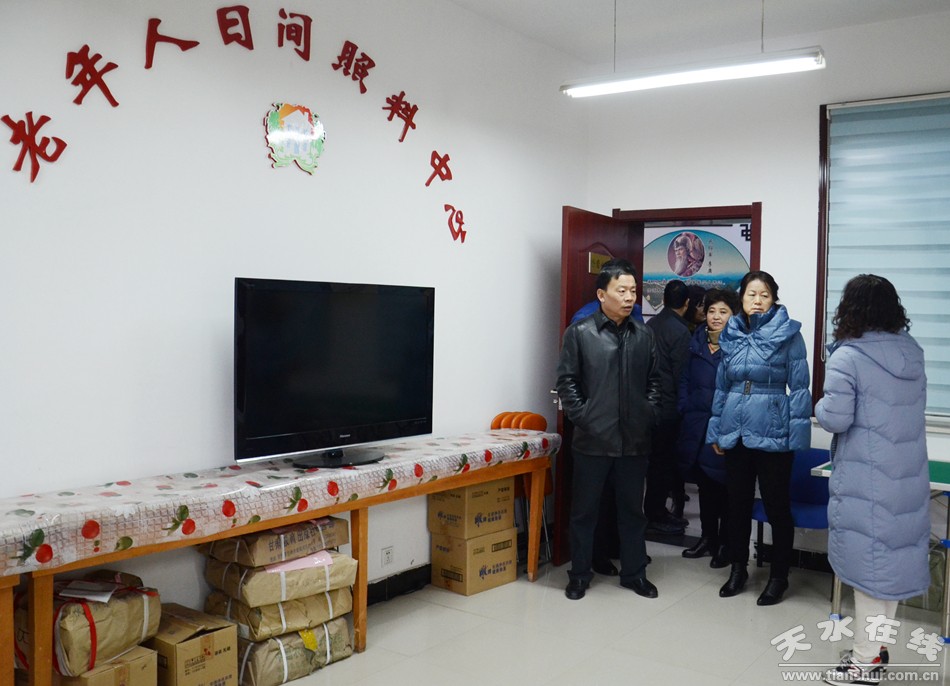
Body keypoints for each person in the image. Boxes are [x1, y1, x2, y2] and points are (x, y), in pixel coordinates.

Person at [815, 275, 929, 685]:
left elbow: (835, 418)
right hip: (906, 478)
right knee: (889, 573)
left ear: (850, 309)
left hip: (868, 480)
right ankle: (876, 651)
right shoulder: (912, 353)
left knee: (867, 576)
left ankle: (863, 665)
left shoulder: (849, 357)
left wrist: (820, 405)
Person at [556, 259, 662, 600]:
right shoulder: (580, 333)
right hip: (592, 440)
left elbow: (656, 382)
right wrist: (585, 417)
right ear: (602, 294)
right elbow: (567, 383)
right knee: (584, 513)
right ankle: (579, 575)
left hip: (634, 441)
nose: (630, 297)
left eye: (633, 291)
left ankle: (634, 574)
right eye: (622, 291)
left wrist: (647, 413)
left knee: (632, 513)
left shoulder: (644, 334)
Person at [705, 270, 810, 606]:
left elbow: (800, 388)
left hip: (774, 430)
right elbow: (722, 386)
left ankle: (779, 576)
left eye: (764, 294)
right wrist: (716, 431)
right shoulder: (732, 332)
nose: (757, 300)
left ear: (774, 299)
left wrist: (797, 437)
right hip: (735, 430)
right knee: (736, 504)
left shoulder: (789, 334)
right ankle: (738, 569)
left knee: (777, 506)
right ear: (742, 298)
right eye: (751, 294)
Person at [676, 288, 740, 568]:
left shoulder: (739, 345)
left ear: (733, 316)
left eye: (723, 312)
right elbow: (684, 379)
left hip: (724, 427)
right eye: (712, 310)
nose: (716, 316)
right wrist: (684, 405)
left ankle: (725, 543)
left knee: (725, 487)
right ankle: (707, 538)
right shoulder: (697, 340)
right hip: (696, 423)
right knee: (705, 485)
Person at [644, 280, 691, 535]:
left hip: (649, 405)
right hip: (669, 407)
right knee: (663, 464)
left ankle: (654, 511)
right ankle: (656, 514)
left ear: (663, 299)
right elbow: (681, 374)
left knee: (654, 463)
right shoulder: (681, 331)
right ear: (687, 303)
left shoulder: (650, 325)